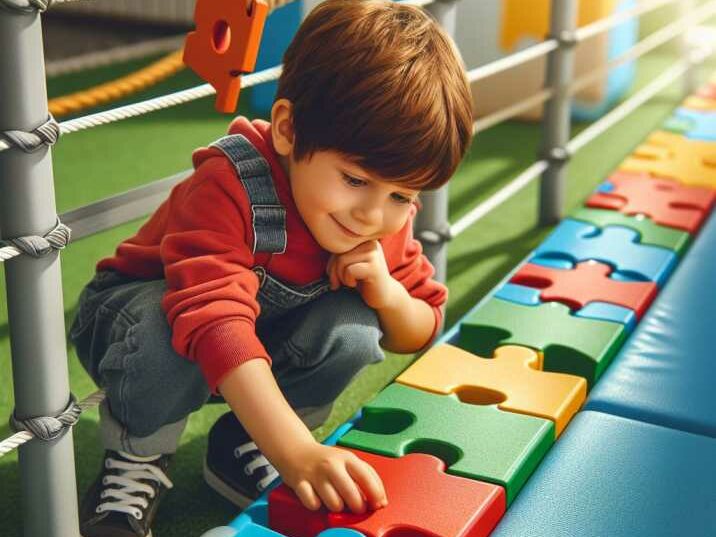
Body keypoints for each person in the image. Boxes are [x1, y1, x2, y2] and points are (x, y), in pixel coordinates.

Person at [69, 0, 473, 535]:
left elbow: (424, 323)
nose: (373, 213)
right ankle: (137, 456)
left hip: (250, 346)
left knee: (354, 327)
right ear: (286, 129)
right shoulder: (228, 185)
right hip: (138, 330)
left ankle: (244, 444)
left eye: (402, 194)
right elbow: (214, 323)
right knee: (166, 327)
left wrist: (388, 293)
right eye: (353, 180)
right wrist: (299, 452)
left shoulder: (380, 217)